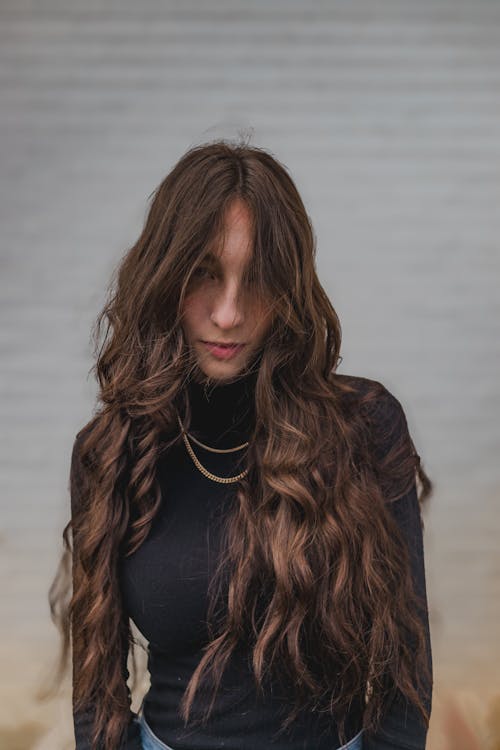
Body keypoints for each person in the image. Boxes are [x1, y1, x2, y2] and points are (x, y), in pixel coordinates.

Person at [49, 138, 433, 750]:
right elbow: (97, 691)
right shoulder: (111, 452)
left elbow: (403, 670)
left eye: (255, 280)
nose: (228, 314)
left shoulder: (366, 427)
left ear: (287, 288)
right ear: (165, 275)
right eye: (204, 274)